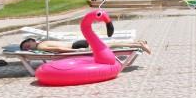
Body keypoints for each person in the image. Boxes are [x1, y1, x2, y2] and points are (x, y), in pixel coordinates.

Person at [19, 38, 152, 55]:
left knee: (111, 45)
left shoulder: (41, 46)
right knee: (111, 44)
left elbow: (59, 50)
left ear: (32, 40)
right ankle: (137, 43)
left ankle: (139, 45)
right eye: (26, 48)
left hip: (77, 45)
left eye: (27, 45)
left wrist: (73, 51)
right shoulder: (44, 41)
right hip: (78, 42)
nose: (27, 48)